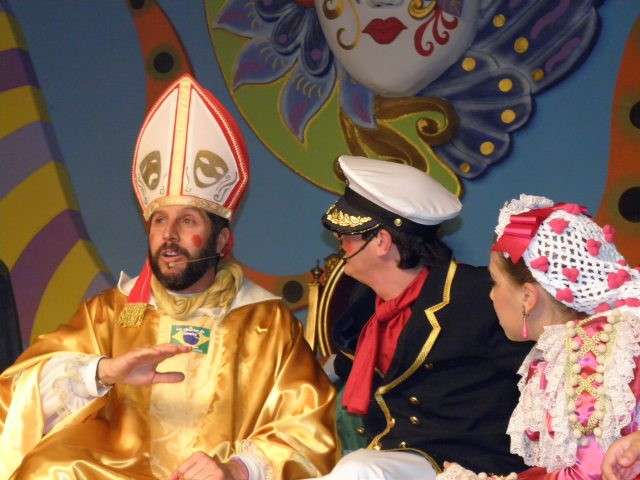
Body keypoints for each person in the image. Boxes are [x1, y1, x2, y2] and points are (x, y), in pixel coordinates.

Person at [0, 74, 338, 480]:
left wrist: (236, 468)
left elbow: (308, 432)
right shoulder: (113, 313)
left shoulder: (266, 323)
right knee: (51, 468)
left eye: (188, 220)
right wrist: (103, 372)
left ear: (222, 240)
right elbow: (16, 394)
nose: (169, 235)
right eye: (159, 220)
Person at [311, 156, 531, 480]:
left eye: (347, 234)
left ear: (382, 242)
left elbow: (542, 369)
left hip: (476, 468)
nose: (339, 243)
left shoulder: (479, 296)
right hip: (401, 460)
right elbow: (349, 362)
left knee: (360, 471)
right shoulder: (365, 309)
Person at [439, 194, 640, 480]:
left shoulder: (588, 353)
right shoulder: (593, 340)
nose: (491, 295)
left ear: (527, 297)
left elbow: (589, 475)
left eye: (495, 282)